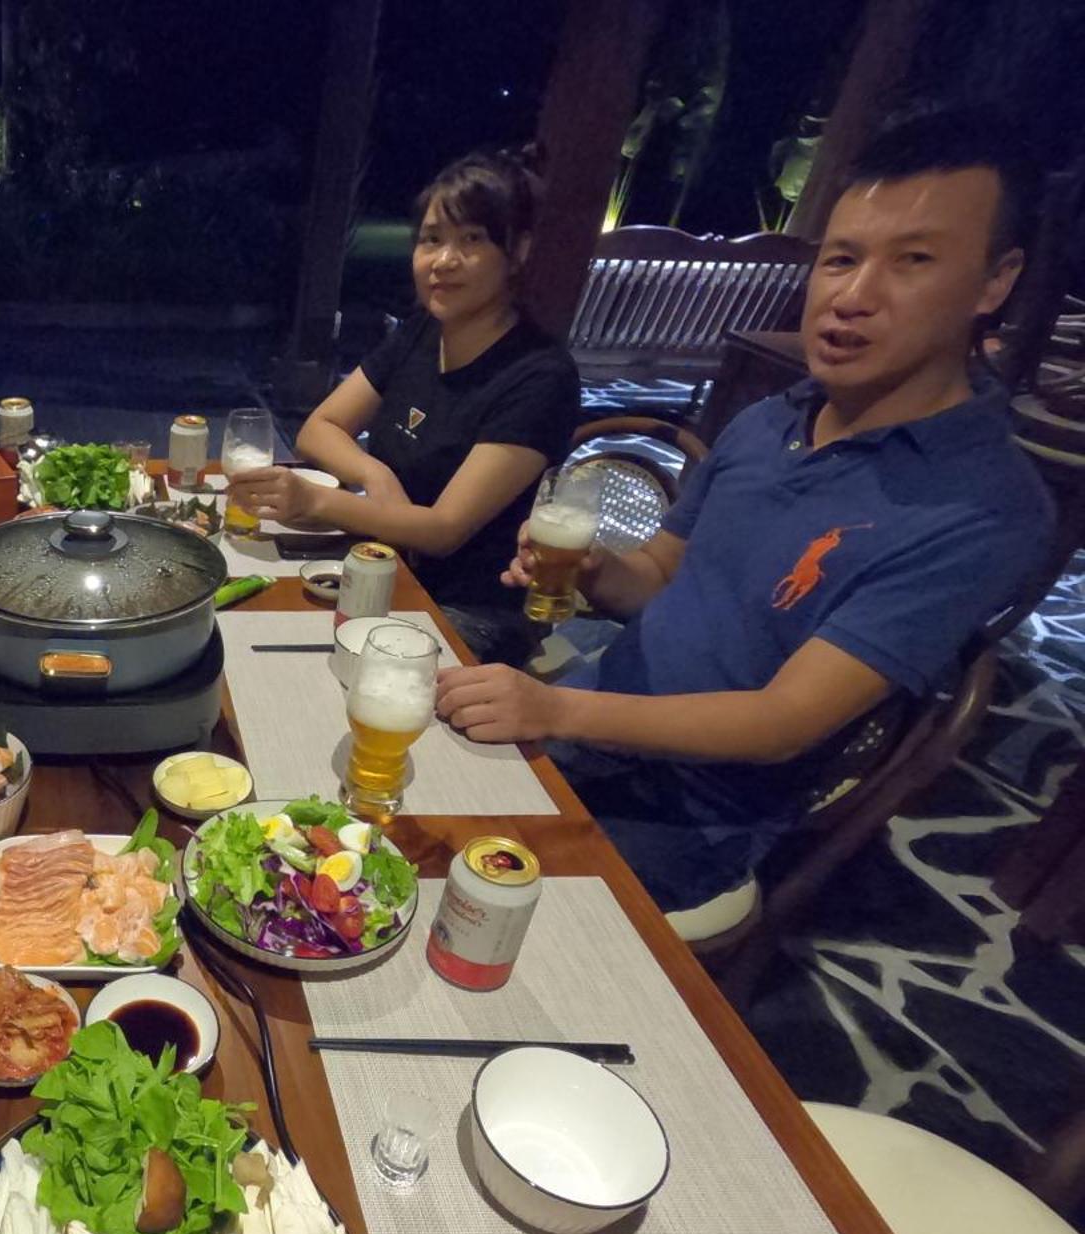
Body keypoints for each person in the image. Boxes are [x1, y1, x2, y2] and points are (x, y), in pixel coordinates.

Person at [432, 107, 1053, 913]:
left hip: (699, 818)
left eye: (913, 261)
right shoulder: (770, 420)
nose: (852, 297)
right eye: (840, 259)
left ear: (995, 281)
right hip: (600, 720)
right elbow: (660, 575)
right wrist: (596, 570)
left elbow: (781, 721)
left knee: (459, 895)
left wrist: (554, 706)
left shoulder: (986, 507)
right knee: (396, 810)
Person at [228, 148, 581, 663]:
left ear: (519, 251)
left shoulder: (539, 375)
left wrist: (316, 500)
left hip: (467, 609)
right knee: (245, 626)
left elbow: (443, 530)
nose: (443, 261)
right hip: (380, 565)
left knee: (299, 668)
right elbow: (319, 427)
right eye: (432, 240)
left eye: (472, 240)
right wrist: (375, 474)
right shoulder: (422, 332)